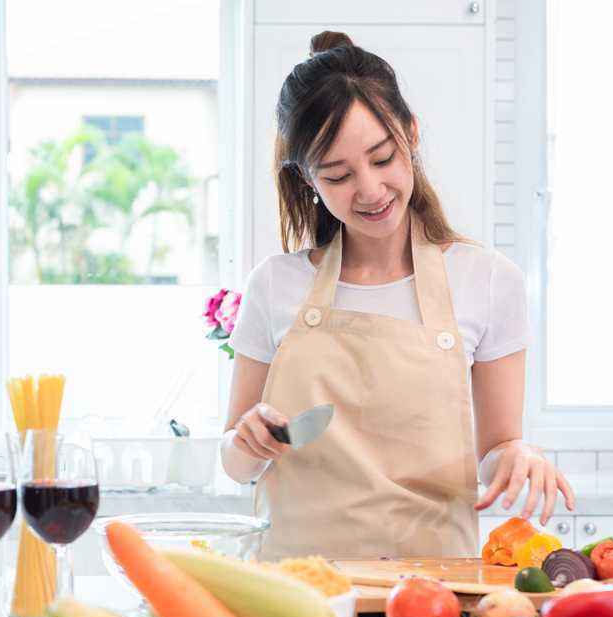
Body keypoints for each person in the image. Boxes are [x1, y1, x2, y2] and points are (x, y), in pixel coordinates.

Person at [220, 31, 575, 560]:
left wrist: (519, 455)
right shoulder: (274, 285)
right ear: (308, 180)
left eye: (382, 158)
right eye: (338, 175)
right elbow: (235, 464)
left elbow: (494, 453)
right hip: (299, 591)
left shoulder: (489, 281)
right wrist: (247, 442)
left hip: (434, 594)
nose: (369, 190)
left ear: (409, 134)